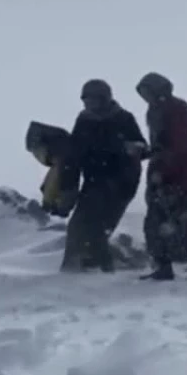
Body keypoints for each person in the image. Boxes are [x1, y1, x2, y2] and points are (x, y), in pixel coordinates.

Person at [135, 72, 187, 280]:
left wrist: (164, 169)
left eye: (148, 92)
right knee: (168, 217)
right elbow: (161, 145)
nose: (145, 97)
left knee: (168, 218)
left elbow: (181, 146)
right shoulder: (155, 110)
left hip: (184, 171)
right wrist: (144, 152)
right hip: (166, 169)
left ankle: (169, 264)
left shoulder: (178, 109)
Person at [59, 79, 148, 272]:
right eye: (86, 99)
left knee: (99, 227)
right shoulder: (84, 120)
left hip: (121, 181)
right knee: (77, 225)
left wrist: (131, 149)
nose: (89, 104)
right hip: (93, 180)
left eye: (93, 99)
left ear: (104, 98)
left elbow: (142, 147)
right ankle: (74, 267)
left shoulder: (123, 118)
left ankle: (102, 269)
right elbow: (75, 150)